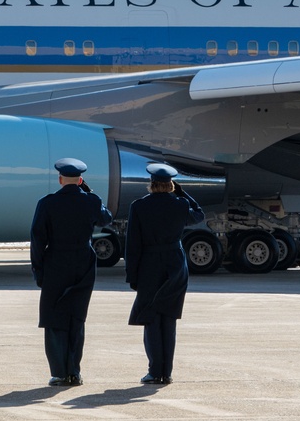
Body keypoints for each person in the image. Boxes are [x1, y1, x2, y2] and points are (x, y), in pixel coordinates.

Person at [30, 157, 113, 387]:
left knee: (55, 319)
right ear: (80, 180)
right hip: (83, 265)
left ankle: (59, 373)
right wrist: (89, 193)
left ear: (59, 179)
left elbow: (37, 240)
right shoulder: (91, 201)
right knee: (77, 319)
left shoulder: (47, 203)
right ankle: (74, 372)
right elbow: (107, 218)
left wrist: (38, 270)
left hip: (55, 264)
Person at [125, 163, 205, 385]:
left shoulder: (139, 206)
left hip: (149, 264)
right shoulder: (179, 205)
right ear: (171, 185)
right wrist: (182, 193)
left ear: (151, 184)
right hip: (175, 264)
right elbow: (198, 215)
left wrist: (132, 275)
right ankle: (166, 372)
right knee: (169, 319)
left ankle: (154, 371)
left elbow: (133, 245)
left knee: (151, 318)